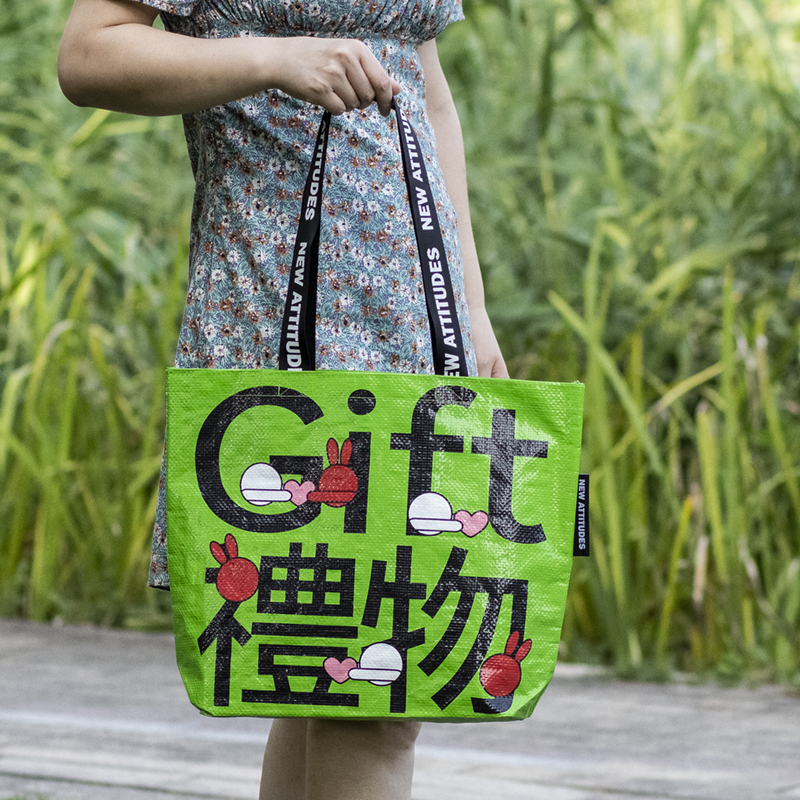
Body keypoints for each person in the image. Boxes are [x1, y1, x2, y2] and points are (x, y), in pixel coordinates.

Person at [58, 1, 508, 798]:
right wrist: (273, 59)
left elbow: (427, 91)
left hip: (415, 318)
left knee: (329, 677)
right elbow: (89, 57)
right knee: (373, 686)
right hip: (280, 317)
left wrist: (469, 307)